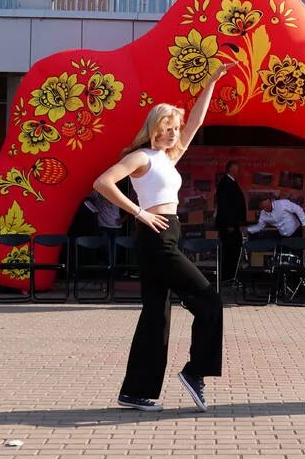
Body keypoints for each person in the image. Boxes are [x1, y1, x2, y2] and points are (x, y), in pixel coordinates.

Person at [91, 65, 228, 413]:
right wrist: (138, 212)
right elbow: (103, 183)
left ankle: (136, 392)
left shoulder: (168, 157)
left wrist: (210, 82)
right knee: (208, 300)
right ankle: (196, 371)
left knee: (157, 314)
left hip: (168, 232)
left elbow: (196, 121)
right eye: (167, 128)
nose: (173, 133)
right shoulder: (141, 157)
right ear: (154, 127)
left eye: (175, 129)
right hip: (155, 235)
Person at [215, 161, 247, 279]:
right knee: (229, 250)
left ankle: (231, 275)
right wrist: (229, 224)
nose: (239, 172)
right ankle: (228, 276)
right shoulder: (225, 183)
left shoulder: (231, 182)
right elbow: (225, 205)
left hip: (233, 224)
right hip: (229, 226)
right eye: (237, 169)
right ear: (232, 170)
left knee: (234, 249)